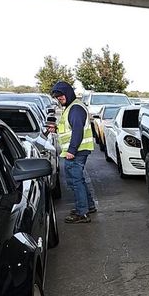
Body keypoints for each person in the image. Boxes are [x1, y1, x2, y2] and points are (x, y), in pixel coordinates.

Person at [50, 81, 96, 223]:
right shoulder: (71, 107)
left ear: (68, 93)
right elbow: (70, 129)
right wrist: (56, 129)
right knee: (78, 180)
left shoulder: (75, 109)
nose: (59, 98)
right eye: (57, 97)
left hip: (76, 151)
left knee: (75, 181)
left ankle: (82, 213)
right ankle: (88, 206)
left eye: (61, 95)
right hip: (78, 150)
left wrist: (72, 150)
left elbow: (77, 131)